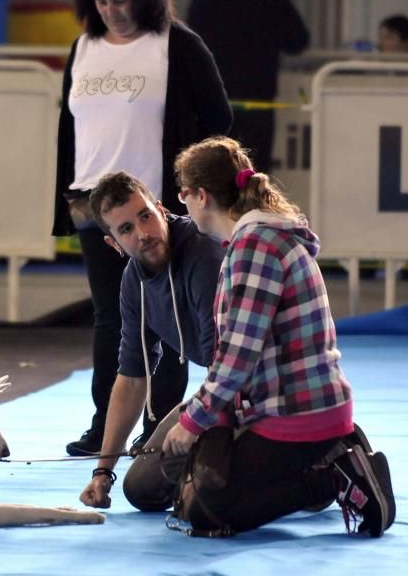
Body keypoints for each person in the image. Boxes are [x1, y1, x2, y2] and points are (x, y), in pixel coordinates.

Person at [155, 136, 395, 537]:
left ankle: (336, 476)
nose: (184, 205)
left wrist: (193, 421)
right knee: (197, 494)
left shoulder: (255, 246)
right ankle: (328, 459)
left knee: (213, 510)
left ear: (199, 196)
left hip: (297, 413)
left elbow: (237, 357)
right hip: (289, 407)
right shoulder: (258, 238)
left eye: (183, 196)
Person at [52, 0, 232, 457]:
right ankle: (102, 425)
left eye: (120, 1)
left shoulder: (177, 44)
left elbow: (219, 118)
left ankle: (159, 426)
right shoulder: (82, 47)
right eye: (102, 1)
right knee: (111, 316)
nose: (111, 11)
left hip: (157, 206)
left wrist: (185, 180)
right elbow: (70, 126)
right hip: (93, 205)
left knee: (168, 316)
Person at [75, 171, 223, 512]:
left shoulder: (205, 255)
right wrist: (103, 472)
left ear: (160, 209)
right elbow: (131, 378)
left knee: (214, 492)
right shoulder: (132, 283)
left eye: (146, 216)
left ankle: (323, 462)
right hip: (225, 391)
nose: (143, 234)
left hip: (265, 387)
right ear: (114, 244)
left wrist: (192, 424)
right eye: (126, 229)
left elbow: (228, 369)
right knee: (141, 489)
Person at [186, 0, 309, 175]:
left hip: (212, 103)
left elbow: (189, 47)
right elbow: (298, 42)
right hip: (258, 104)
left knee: (212, 175)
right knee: (252, 175)